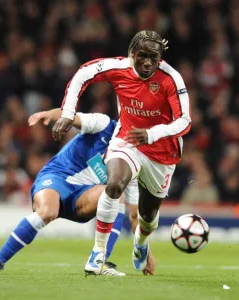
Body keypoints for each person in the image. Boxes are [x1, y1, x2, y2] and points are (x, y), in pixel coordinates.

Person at [52, 30, 191, 275]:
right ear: (132, 54)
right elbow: (83, 74)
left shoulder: (171, 78)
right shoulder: (118, 68)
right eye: (142, 56)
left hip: (162, 154)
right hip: (127, 139)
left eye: (154, 58)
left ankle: (141, 242)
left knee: (148, 218)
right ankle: (98, 253)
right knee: (114, 184)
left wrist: (151, 134)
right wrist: (67, 112)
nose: (148, 63)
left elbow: (185, 121)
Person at [0, 108, 155, 276]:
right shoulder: (104, 125)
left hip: (82, 198)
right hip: (58, 177)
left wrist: (145, 250)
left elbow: (134, 215)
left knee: (117, 196)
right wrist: (50, 114)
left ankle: (100, 261)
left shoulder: (132, 161)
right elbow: (70, 116)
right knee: (47, 212)